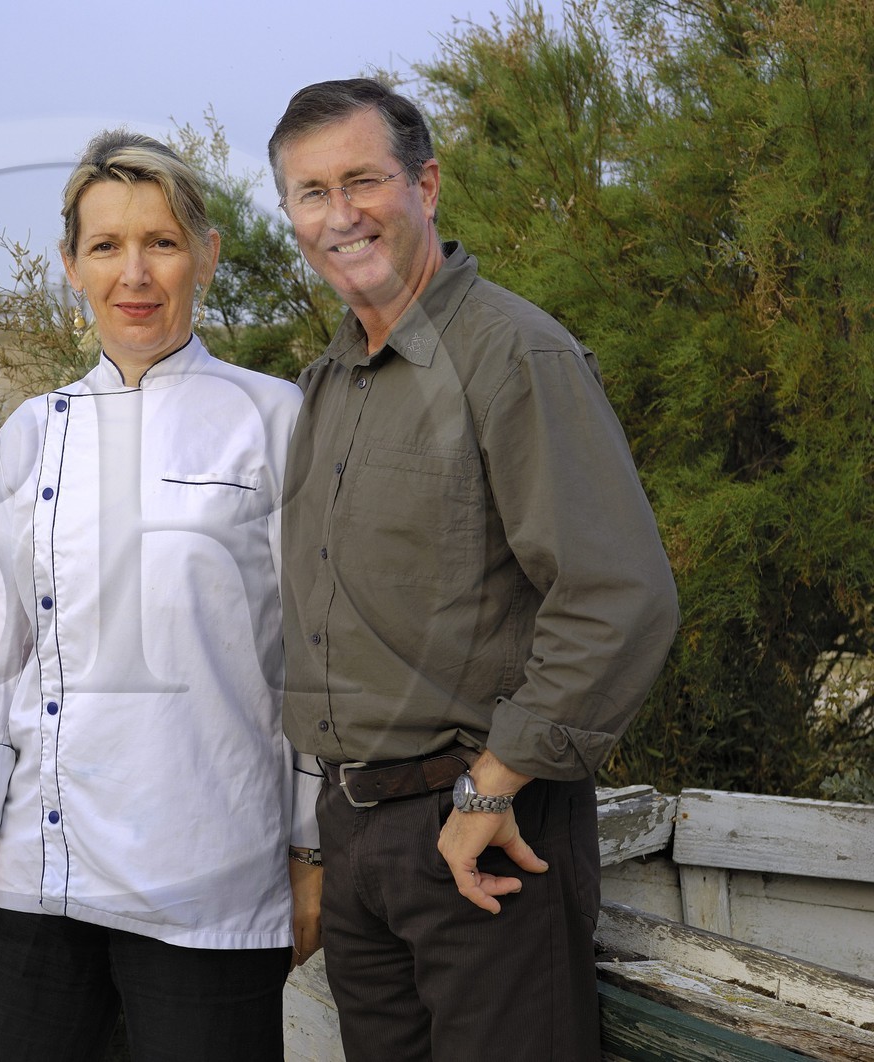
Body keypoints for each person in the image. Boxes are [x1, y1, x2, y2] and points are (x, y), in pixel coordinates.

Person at [270, 78, 680, 1061]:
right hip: (357, 834)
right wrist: (322, 838)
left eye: (363, 181)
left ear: (426, 185)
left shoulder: (514, 357)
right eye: (311, 193)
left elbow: (620, 598)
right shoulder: (324, 386)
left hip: (483, 834)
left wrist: (490, 789)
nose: (340, 215)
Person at [0, 129, 322, 1062]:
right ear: (72, 265)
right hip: (34, 876)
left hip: (208, 877)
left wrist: (311, 853)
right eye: (106, 246)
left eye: (163, 243)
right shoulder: (30, 433)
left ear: (208, 256)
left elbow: (317, 656)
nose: (134, 274)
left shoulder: (274, 420)